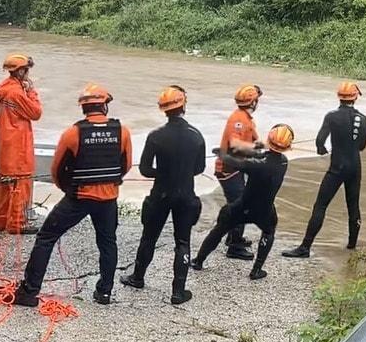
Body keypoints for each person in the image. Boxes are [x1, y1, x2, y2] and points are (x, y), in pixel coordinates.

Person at [14, 84, 132, 308]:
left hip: (78, 197)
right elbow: (124, 166)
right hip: (108, 199)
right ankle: (104, 292)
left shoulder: (73, 133)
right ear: (104, 106)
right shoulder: (122, 131)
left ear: (84, 109)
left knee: (46, 237)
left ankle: (29, 291)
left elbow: (57, 170)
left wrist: (69, 190)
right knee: (108, 243)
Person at [120, 86, 205, 306]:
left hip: (161, 194)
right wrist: (181, 172)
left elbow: (146, 169)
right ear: (183, 105)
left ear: (164, 110)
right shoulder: (196, 136)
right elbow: (199, 167)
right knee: (182, 241)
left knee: (149, 236)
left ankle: (137, 277)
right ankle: (178, 291)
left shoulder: (156, 136)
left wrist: (164, 173)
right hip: (186, 194)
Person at [192, 124, 294, 281]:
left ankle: (198, 261)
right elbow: (262, 158)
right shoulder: (283, 162)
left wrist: (220, 152)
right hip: (265, 210)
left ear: (269, 139)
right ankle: (257, 269)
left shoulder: (258, 165)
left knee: (220, 229)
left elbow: (236, 163)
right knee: (269, 231)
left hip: (244, 206)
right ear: (288, 146)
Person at [282, 82, 366, 259]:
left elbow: (320, 141)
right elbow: (361, 146)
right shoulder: (364, 119)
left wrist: (321, 149)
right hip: (355, 167)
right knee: (353, 206)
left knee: (321, 205)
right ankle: (351, 245)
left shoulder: (331, 117)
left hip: (337, 167)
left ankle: (305, 247)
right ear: (355, 97)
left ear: (339, 97)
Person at [0, 54, 43, 235]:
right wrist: (31, 91)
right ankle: (17, 223)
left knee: (5, 183)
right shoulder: (16, 93)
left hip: (6, 145)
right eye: (26, 70)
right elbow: (36, 112)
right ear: (21, 71)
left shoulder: (3, 90)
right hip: (18, 146)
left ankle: (0, 220)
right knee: (20, 183)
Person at [213, 85, 263, 261]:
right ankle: (234, 246)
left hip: (236, 168)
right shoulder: (238, 119)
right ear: (253, 101)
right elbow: (235, 144)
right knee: (240, 205)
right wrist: (255, 149)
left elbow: (254, 140)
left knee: (240, 202)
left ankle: (233, 237)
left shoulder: (246, 118)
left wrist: (263, 146)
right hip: (229, 170)